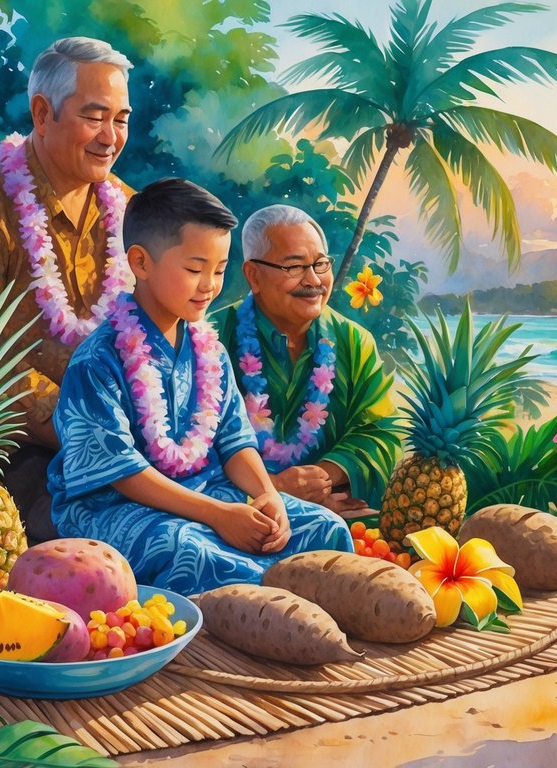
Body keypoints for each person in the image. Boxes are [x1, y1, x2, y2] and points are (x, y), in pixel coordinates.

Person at [47, 179, 351, 595]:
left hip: (211, 491)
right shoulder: (97, 360)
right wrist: (218, 515)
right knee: (189, 550)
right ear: (140, 262)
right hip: (117, 507)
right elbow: (122, 473)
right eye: (194, 269)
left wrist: (268, 496)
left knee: (323, 527)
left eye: (220, 271)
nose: (209, 285)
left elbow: (234, 440)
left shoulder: (209, 350)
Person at [0, 37, 134, 542]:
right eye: (95, 117)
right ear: (42, 114)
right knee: (108, 539)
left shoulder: (132, 212)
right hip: (20, 458)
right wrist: (91, 434)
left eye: (122, 118)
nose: (111, 137)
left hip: (133, 439)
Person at [214, 205, 402, 517]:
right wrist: (273, 488)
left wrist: (320, 481)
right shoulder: (210, 338)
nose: (314, 280)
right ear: (254, 275)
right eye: (295, 267)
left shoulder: (354, 341)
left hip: (338, 513)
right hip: (236, 517)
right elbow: (189, 451)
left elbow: (382, 432)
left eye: (321, 264)